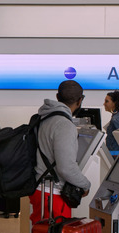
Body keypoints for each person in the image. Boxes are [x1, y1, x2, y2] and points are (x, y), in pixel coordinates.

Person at [30, 80, 91, 223]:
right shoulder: (64, 125)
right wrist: (85, 185)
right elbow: (66, 168)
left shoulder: (43, 118)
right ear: (80, 100)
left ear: (57, 97)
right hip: (53, 193)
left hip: (39, 188)